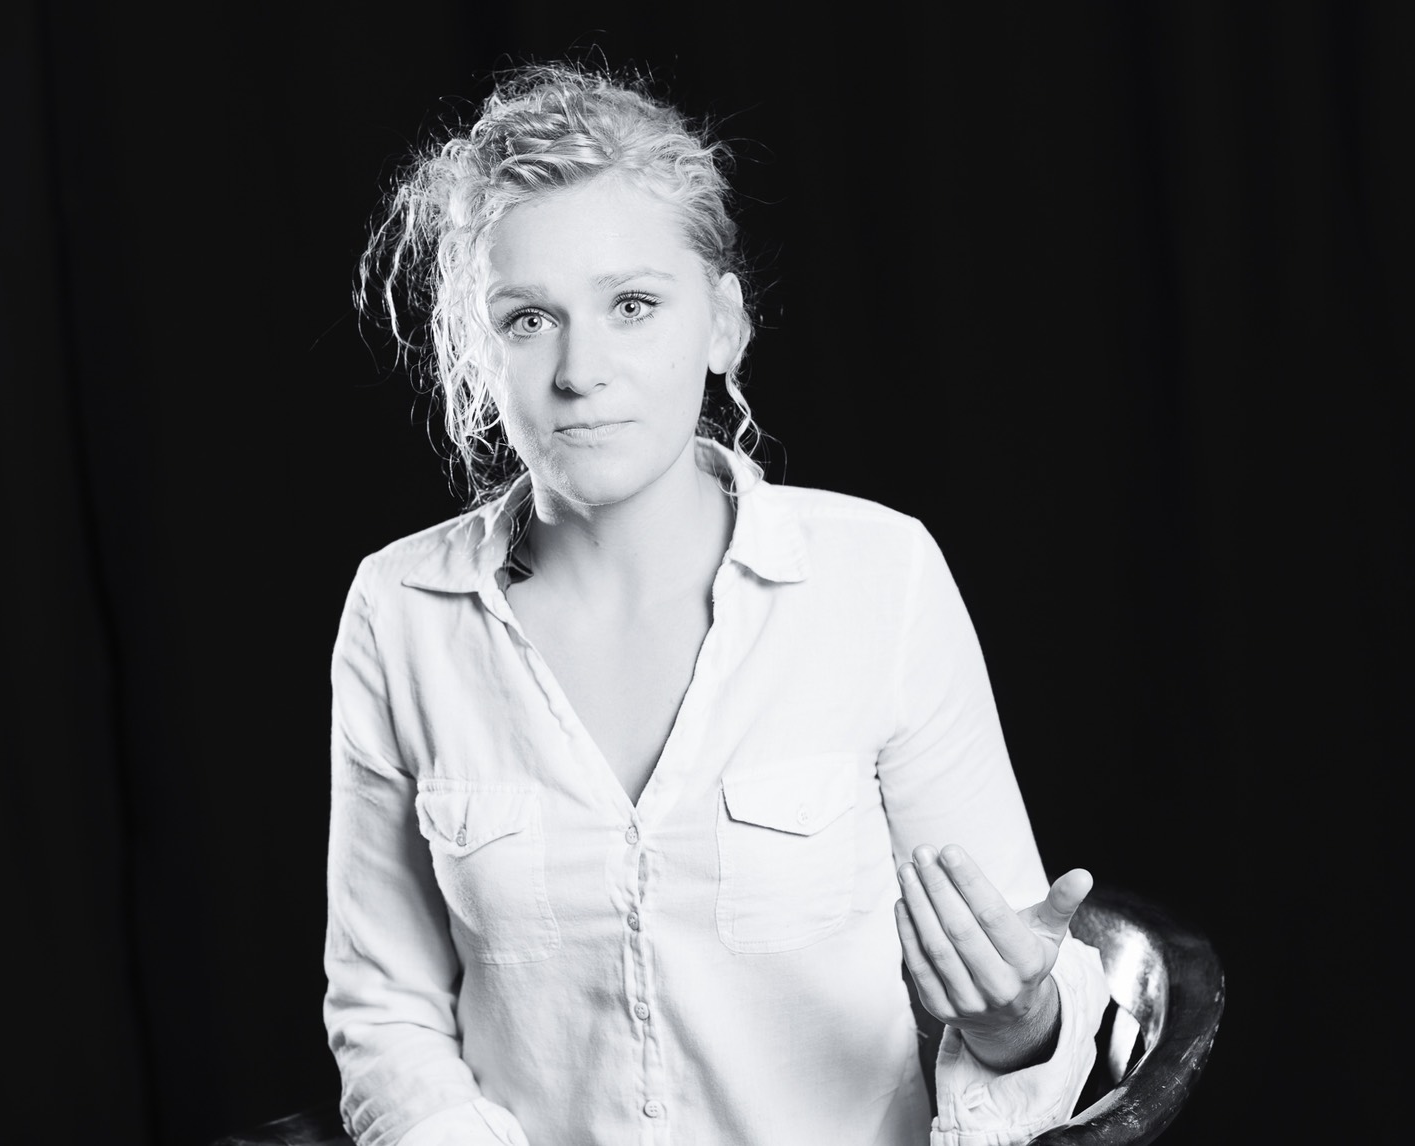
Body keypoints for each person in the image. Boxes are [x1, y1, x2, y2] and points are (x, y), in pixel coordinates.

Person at [324, 63, 1111, 1146]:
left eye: (633, 306)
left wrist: (1021, 1018)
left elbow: (1021, 995)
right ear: (475, 349)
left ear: (723, 325)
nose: (580, 370)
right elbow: (385, 1011)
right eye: (527, 319)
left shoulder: (880, 577)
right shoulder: (401, 610)